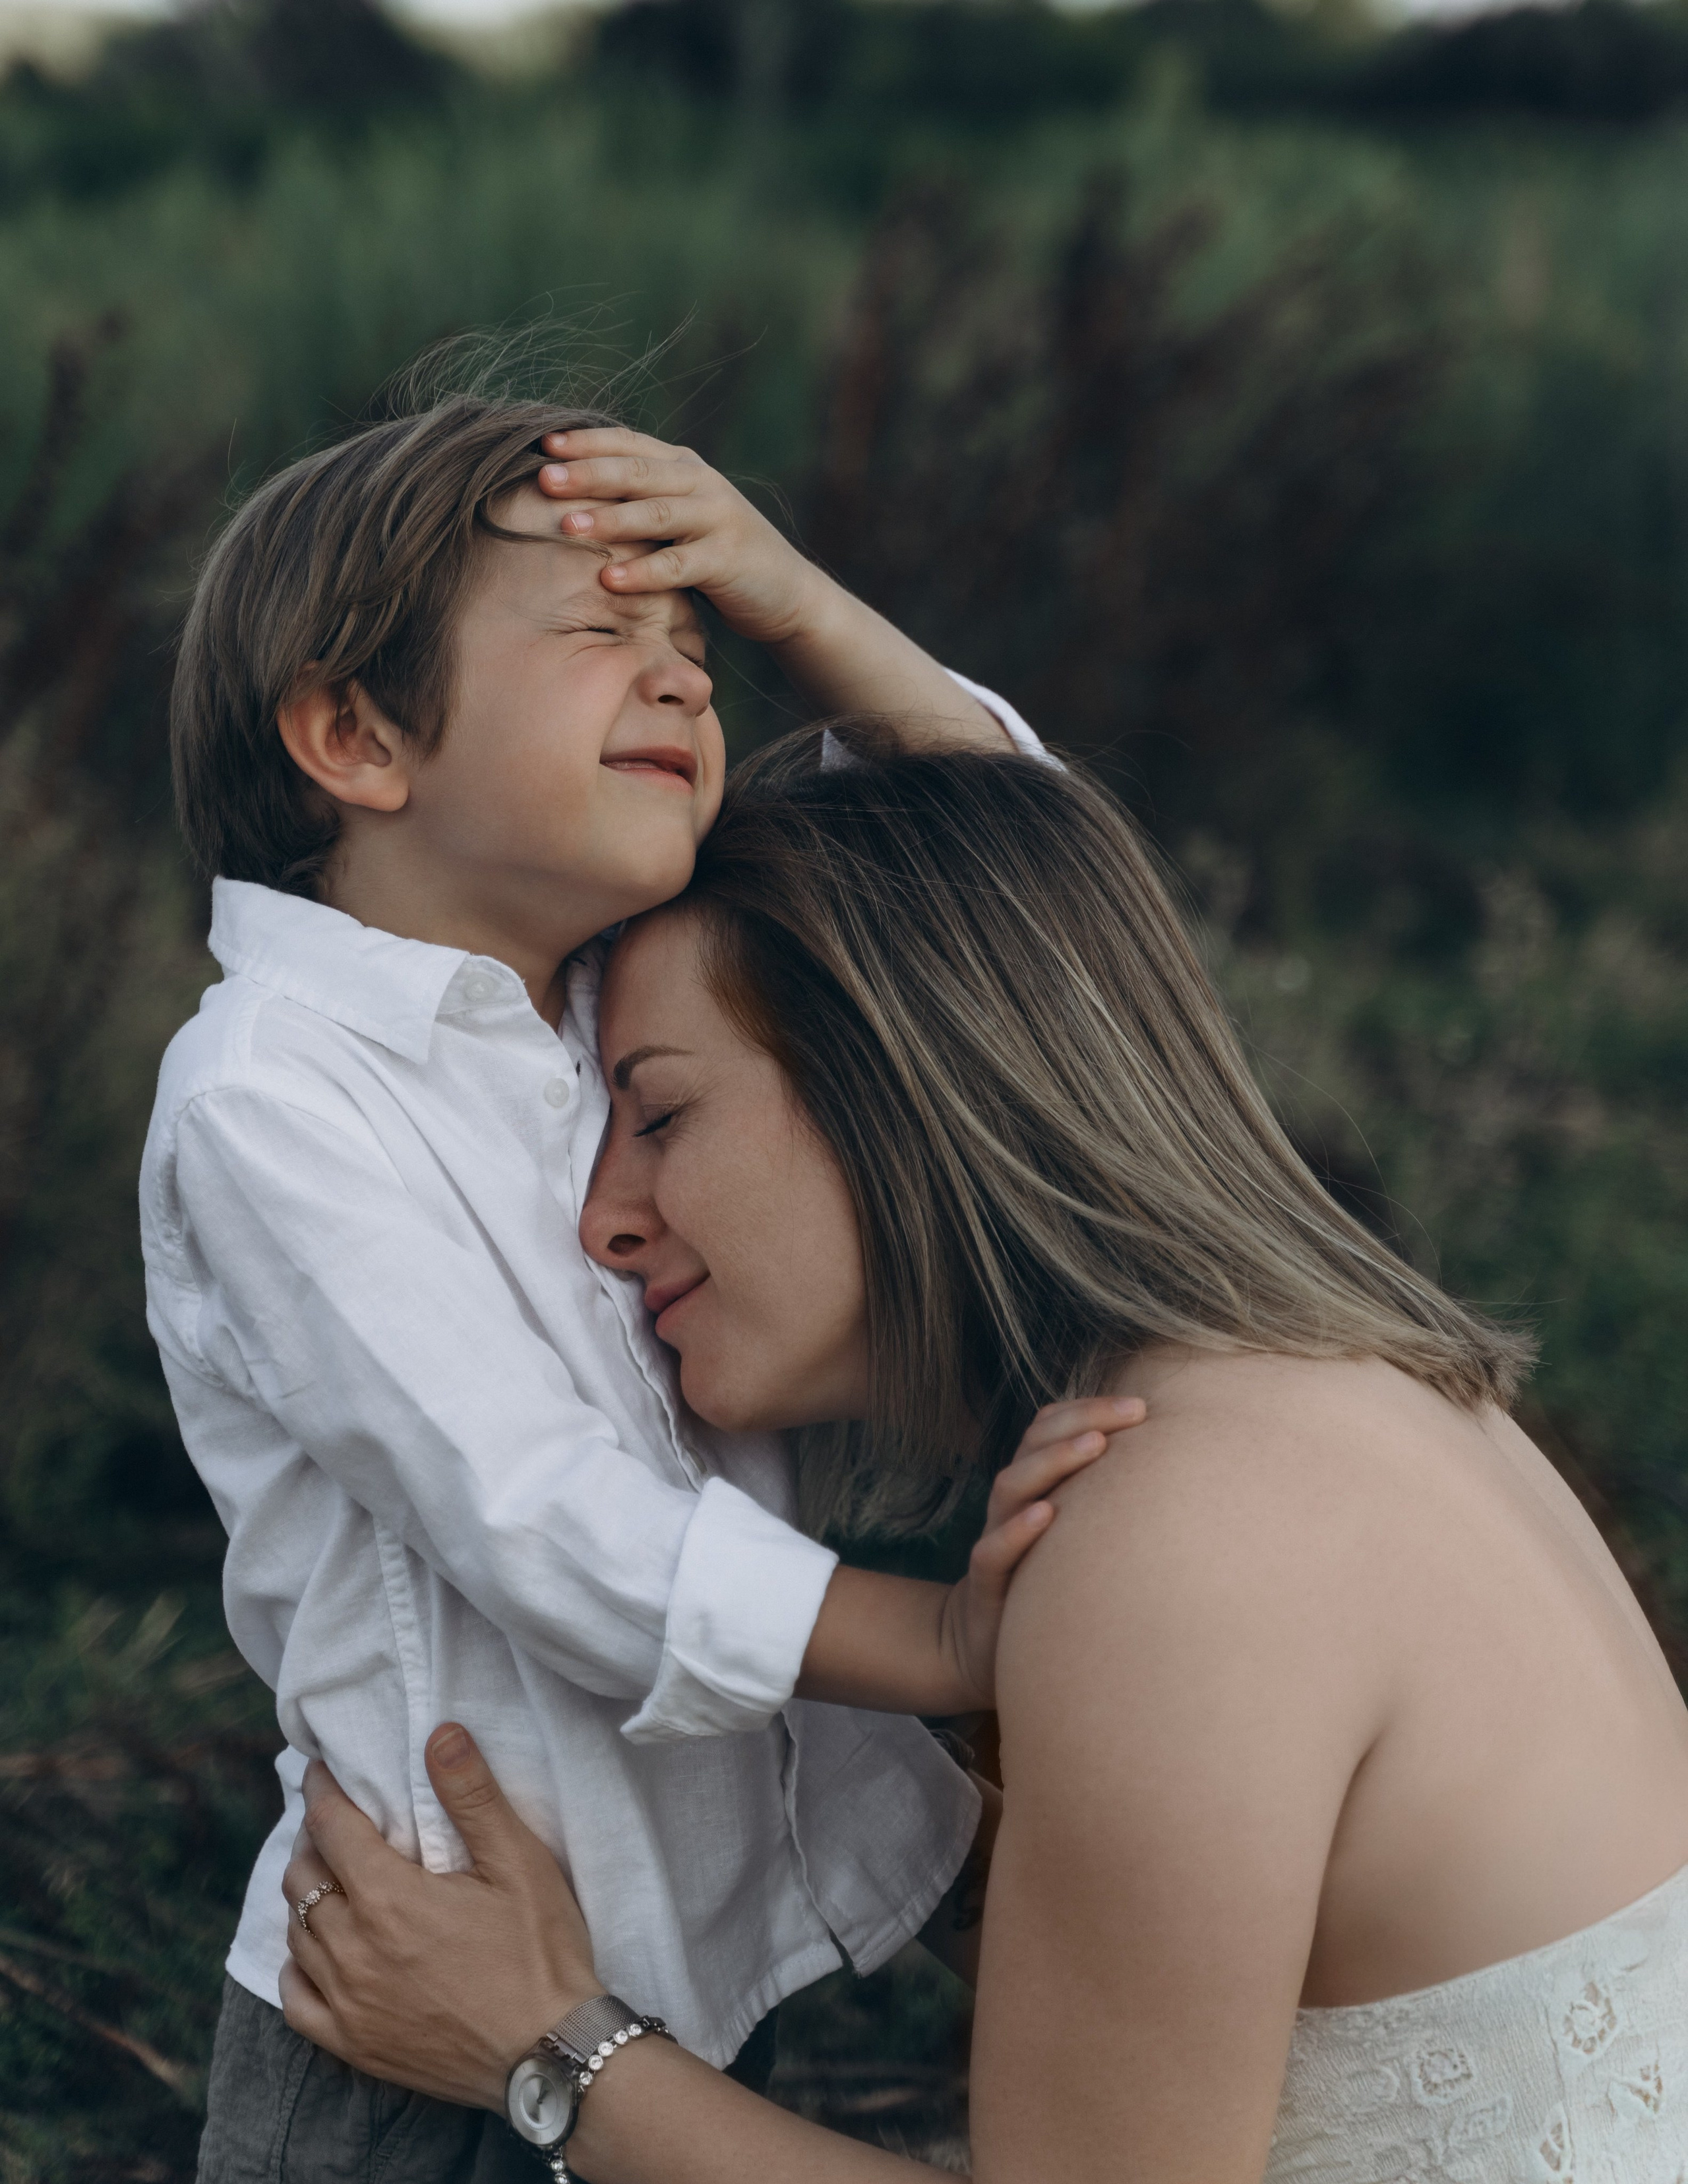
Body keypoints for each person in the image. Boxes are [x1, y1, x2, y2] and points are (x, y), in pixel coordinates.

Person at [279, 735, 1688, 2183]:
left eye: (659, 1114)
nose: (603, 1220)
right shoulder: (1331, 1392)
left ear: (904, 1081)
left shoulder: (1182, 1533)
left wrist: (550, 2049)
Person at [140, 391, 1124, 2182]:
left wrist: (792, 589)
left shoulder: (619, 983)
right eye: (603, 634)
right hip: (415, 2030)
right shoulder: (272, 1093)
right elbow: (529, 1505)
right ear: (355, 735)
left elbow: (1011, 852)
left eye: (699, 648)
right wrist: (942, 1645)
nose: (684, 678)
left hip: (695, 1962)